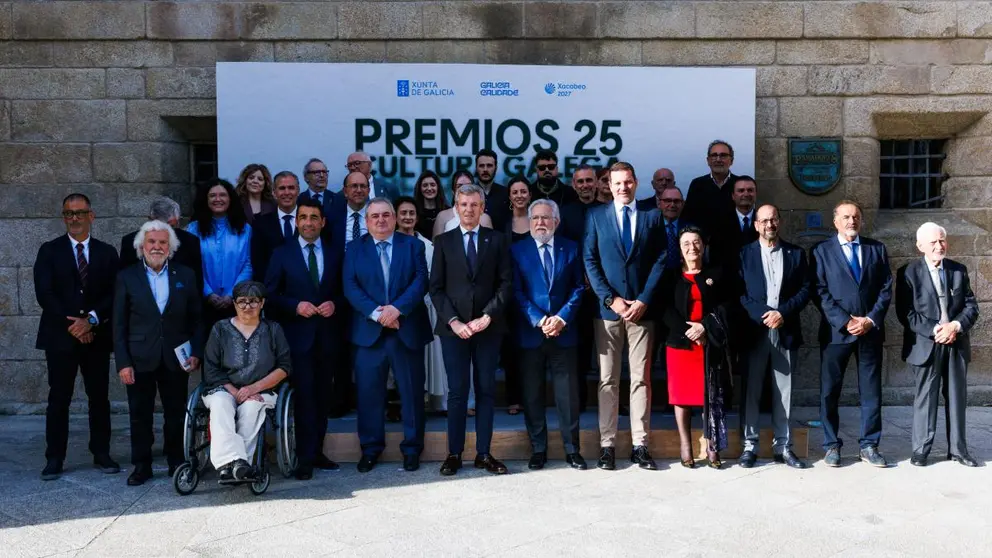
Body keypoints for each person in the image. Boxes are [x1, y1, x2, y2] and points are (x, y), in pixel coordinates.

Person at [583, 162, 666, 471]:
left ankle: (640, 445)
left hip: (642, 312)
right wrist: (611, 299)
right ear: (609, 184)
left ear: (636, 182)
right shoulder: (595, 216)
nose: (622, 187)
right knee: (607, 379)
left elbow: (661, 258)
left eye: (628, 182)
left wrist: (644, 299)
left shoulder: (652, 216)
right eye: (617, 183)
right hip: (608, 312)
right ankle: (607, 445)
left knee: (641, 379)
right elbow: (589, 260)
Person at [34, 193, 121, 481]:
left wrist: (91, 321)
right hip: (60, 337)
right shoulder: (49, 251)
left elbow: (114, 293)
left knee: (99, 397)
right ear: (64, 217)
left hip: (96, 336)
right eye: (69, 214)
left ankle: (101, 452)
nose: (74, 218)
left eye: (80, 213)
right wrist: (74, 324)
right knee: (59, 398)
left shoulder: (107, 253)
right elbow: (45, 293)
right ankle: (54, 458)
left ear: (91, 216)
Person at [344, 198, 432, 473]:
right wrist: (377, 314)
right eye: (374, 217)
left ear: (394, 218)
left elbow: (421, 282)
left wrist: (396, 310)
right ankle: (370, 449)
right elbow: (350, 285)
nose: (380, 220)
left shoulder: (413, 245)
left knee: (412, 392)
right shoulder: (353, 249)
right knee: (369, 394)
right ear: (367, 221)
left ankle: (412, 448)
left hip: (406, 329)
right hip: (369, 332)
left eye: (385, 215)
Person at [430, 184, 513, 476]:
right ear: (456, 207)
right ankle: (454, 454)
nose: (468, 209)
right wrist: (455, 322)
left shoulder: (498, 240)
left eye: (474, 205)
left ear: (482, 207)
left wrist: (487, 317)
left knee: (486, 391)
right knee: (457, 392)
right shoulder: (443, 241)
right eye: (463, 204)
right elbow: (436, 289)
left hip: (488, 329)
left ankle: (484, 453)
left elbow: (506, 284)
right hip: (455, 330)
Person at [113, 221, 202, 485]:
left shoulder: (185, 275)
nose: (157, 247)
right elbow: (118, 324)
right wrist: (123, 363)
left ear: (170, 247)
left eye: (163, 242)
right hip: (139, 357)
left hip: (176, 357)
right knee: (140, 414)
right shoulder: (126, 277)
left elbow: (197, 318)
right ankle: (142, 465)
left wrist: (195, 350)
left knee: (175, 412)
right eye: (152, 242)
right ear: (142, 246)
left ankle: (175, 459)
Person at [264, 199, 343, 479]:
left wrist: (335, 303)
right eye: (303, 217)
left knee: (323, 398)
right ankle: (303, 457)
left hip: (327, 338)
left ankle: (318, 451)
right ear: (296, 222)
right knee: (304, 399)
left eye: (314, 217)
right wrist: (295, 305)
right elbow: (270, 296)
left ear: (322, 222)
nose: (308, 222)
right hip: (296, 340)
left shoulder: (335, 253)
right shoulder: (282, 254)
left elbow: (344, 292)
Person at [811, 200, 893, 468]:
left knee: (871, 392)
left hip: (869, 332)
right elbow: (819, 291)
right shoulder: (821, 251)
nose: (851, 221)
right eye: (845, 217)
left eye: (856, 216)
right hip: (837, 333)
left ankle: (869, 445)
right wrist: (845, 321)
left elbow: (885, 287)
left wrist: (870, 319)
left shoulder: (876, 249)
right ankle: (831, 445)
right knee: (829, 392)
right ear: (835, 221)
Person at [896, 222, 980, 467]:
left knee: (956, 397)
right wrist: (936, 330)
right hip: (926, 344)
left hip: (955, 341)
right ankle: (921, 449)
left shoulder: (958, 270)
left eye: (942, 240)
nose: (938, 245)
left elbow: (971, 306)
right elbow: (906, 313)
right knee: (926, 397)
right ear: (920, 245)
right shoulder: (908, 273)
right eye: (932, 242)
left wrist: (954, 326)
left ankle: (958, 450)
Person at [512, 199, 586, 470]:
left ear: (556, 221)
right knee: (532, 394)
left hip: (563, 332)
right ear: (529, 222)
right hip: (531, 333)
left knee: (567, 395)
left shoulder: (571, 248)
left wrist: (561, 318)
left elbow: (579, 287)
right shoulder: (517, 250)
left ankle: (572, 449)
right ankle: (538, 449)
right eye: (535, 218)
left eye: (546, 218)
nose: (540, 223)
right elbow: (516, 292)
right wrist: (539, 319)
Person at [737, 205, 810, 469]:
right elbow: (740, 293)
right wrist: (764, 314)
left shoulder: (796, 254)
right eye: (764, 220)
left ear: (780, 222)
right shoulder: (744, 254)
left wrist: (782, 313)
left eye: (774, 219)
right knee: (752, 390)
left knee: (784, 391)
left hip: (785, 329)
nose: (770, 224)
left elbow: (805, 290)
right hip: (755, 331)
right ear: (756, 225)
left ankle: (783, 446)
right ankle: (749, 446)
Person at [201, 281, 292, 481]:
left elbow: (284, 367)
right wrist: (235, 392)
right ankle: (234, 463)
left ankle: (235, 466)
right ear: (234, 303)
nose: (247, 307)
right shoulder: (220, 329)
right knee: (220, 405)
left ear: (262, 303)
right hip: (224, 388)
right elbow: (211, 368)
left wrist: (254, 388)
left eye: (253, 301)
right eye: (242, 301)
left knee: (251, 409)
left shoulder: (273, 330)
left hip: (262, 390)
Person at [662, 226, 734, 469]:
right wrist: (688, 331)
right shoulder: (671, 275)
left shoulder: (717, 273)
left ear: (703, 245)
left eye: (696, 242)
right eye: (686, 244)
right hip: (680, 345)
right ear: (680, 250)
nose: (692, 248)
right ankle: (685, 446)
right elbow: (665, 309)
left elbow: (726, 305)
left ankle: (712, 446)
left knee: (709, 396)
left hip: (707, 343)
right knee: (681, 398)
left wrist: (704, 327)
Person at [396, 197, 447, 412]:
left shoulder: (427, 245)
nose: (407, 217)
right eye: (403, 213)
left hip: (426, 308)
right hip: (397, 310)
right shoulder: (389, 242)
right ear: (396, 216)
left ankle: (426, 402)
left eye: (411, 213)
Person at [187, 179, 253, 329]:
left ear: (230, 199)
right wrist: (208, 293)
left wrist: (231, 294)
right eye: (212, 196)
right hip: (203, 303)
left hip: (238, 304)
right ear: (206, 199)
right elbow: (191, 266)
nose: (218, 199)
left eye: (222, 195)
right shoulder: (192, 229)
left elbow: (248, 264)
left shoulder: (245, 229)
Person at [119, 197, 203, 293]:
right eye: (161, 226)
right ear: (150, 220)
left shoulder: (190, 242)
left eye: (172, 226)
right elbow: (124, 283)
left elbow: (197, 285)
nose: (167, 232)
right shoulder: (130, 242)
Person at [501, 176, 533, 416]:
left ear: (529, 194)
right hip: (510, 293)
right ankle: (514, 398)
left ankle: (532, 398)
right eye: (515, 192)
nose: (520, 195)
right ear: (510, 196)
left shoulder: (539, 219)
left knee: (532, 349)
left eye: (523, 191)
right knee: (511, 349)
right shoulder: (502, 223)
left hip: (535, 292)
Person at [680, 140, 738, 251]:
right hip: (705, 251)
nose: (718, 159)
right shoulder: (697, 185)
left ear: (731, 160)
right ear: (708, 160)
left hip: (735, 248)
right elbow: (688, 217)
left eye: (723, 155)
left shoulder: (739, 185)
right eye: (714, 155)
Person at [251, 170, 300, 282]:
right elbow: (258, 262)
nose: (287, 192)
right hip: (272, 290)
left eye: (291, 188)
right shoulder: (260, 222)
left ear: (298, 191)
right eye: (282, 188)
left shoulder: (309, 219)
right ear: (274, 192)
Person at [432, 170, 493, 238]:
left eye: (468, 185)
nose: (465, 190)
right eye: (459, 186)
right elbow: (437, 245)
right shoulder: (442, 217)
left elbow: (490, 246)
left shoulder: (484, 218)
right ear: (453, 191)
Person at [476, 149, 510, 231]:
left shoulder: (506, 194)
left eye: (489, 165)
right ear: (476, 168)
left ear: (496, 167)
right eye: (481, 166)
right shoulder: (469, 194)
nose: (485, 169)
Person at [413, 170, 448, 239]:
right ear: (420, 188)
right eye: (425, 185)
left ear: (438, 187)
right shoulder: (414, 212)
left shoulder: (447, 211)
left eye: (432, 185)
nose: (429, 188)